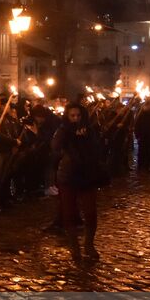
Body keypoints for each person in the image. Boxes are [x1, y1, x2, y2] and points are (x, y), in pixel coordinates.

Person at [52, 101, 108, 264]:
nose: (75, 118)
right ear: (67, 117)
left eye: (78, 115)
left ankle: (89, 244)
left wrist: (86, 138)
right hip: (68, 176)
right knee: (69, 212)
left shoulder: (90, 130)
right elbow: (55, 146)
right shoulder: (63, 130)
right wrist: (68, 134)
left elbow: (99, 148)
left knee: (90, 212)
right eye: (72, 116)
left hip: (87, 175)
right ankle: (74, 246)